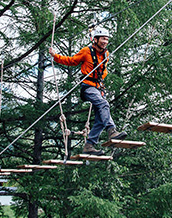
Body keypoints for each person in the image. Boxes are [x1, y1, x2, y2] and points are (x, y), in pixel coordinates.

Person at [49, 27, 126, 156]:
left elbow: (103, 70)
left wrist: (100, 79)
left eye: (106, 39)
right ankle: (112, 131)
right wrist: (55, 56)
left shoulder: (106, 54)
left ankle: (89, 145)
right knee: (103, 105)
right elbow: (71, 61)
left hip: (98, 87)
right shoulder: (86, 51)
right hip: (88, 87)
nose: (105, 42)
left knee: (101, 118)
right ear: (95, 39)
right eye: (103, 39)